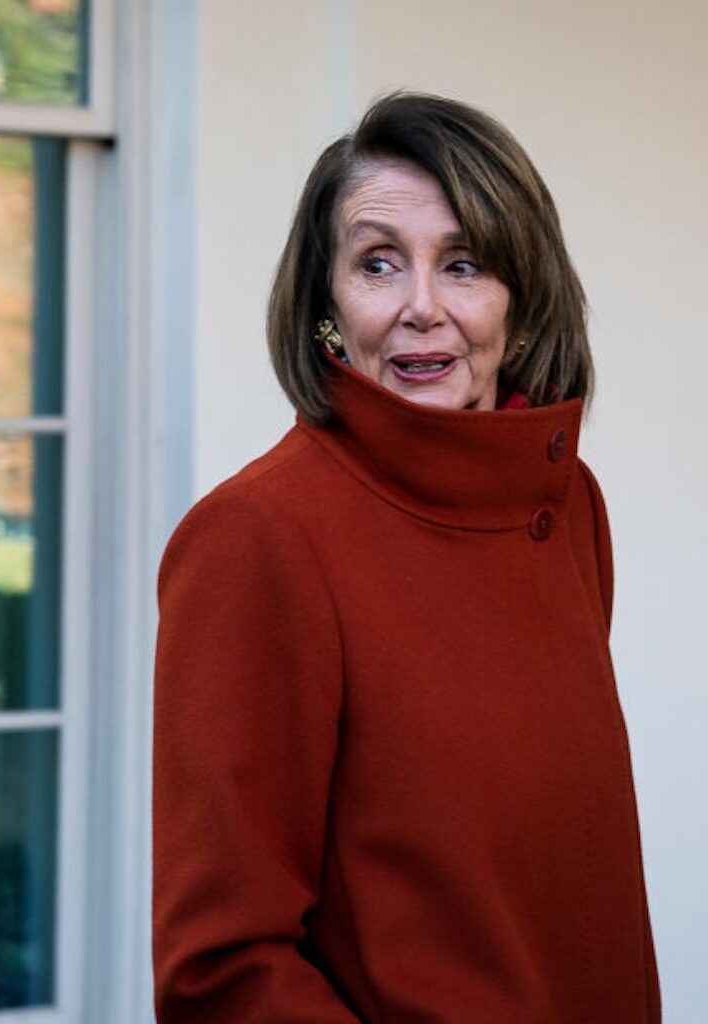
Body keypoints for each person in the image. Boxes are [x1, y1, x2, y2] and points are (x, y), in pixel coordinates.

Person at [151, 92, 660, 1022]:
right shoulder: (258, 538)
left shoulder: (568, 502)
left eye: (464, 264)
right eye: (378, 264)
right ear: (328, 306)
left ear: (521, 298)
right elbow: (221, 969)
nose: (422, 308)